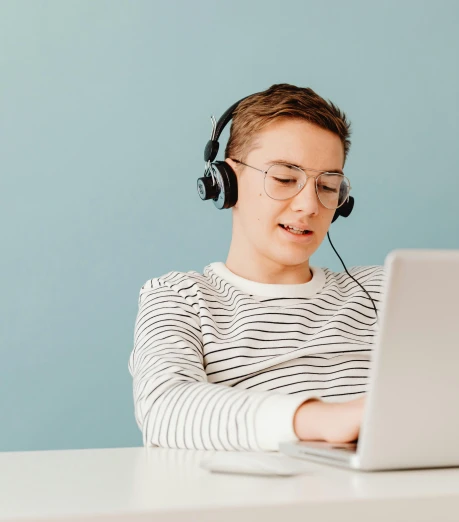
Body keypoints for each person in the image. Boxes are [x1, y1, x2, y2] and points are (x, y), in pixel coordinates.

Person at [129, 84, 383, 451]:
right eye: (284, 178)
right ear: (225, 182)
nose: (309, 205)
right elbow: (163, 409)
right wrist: (323, 420)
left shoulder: (380, 290)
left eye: (328, 185)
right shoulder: (179, 298)